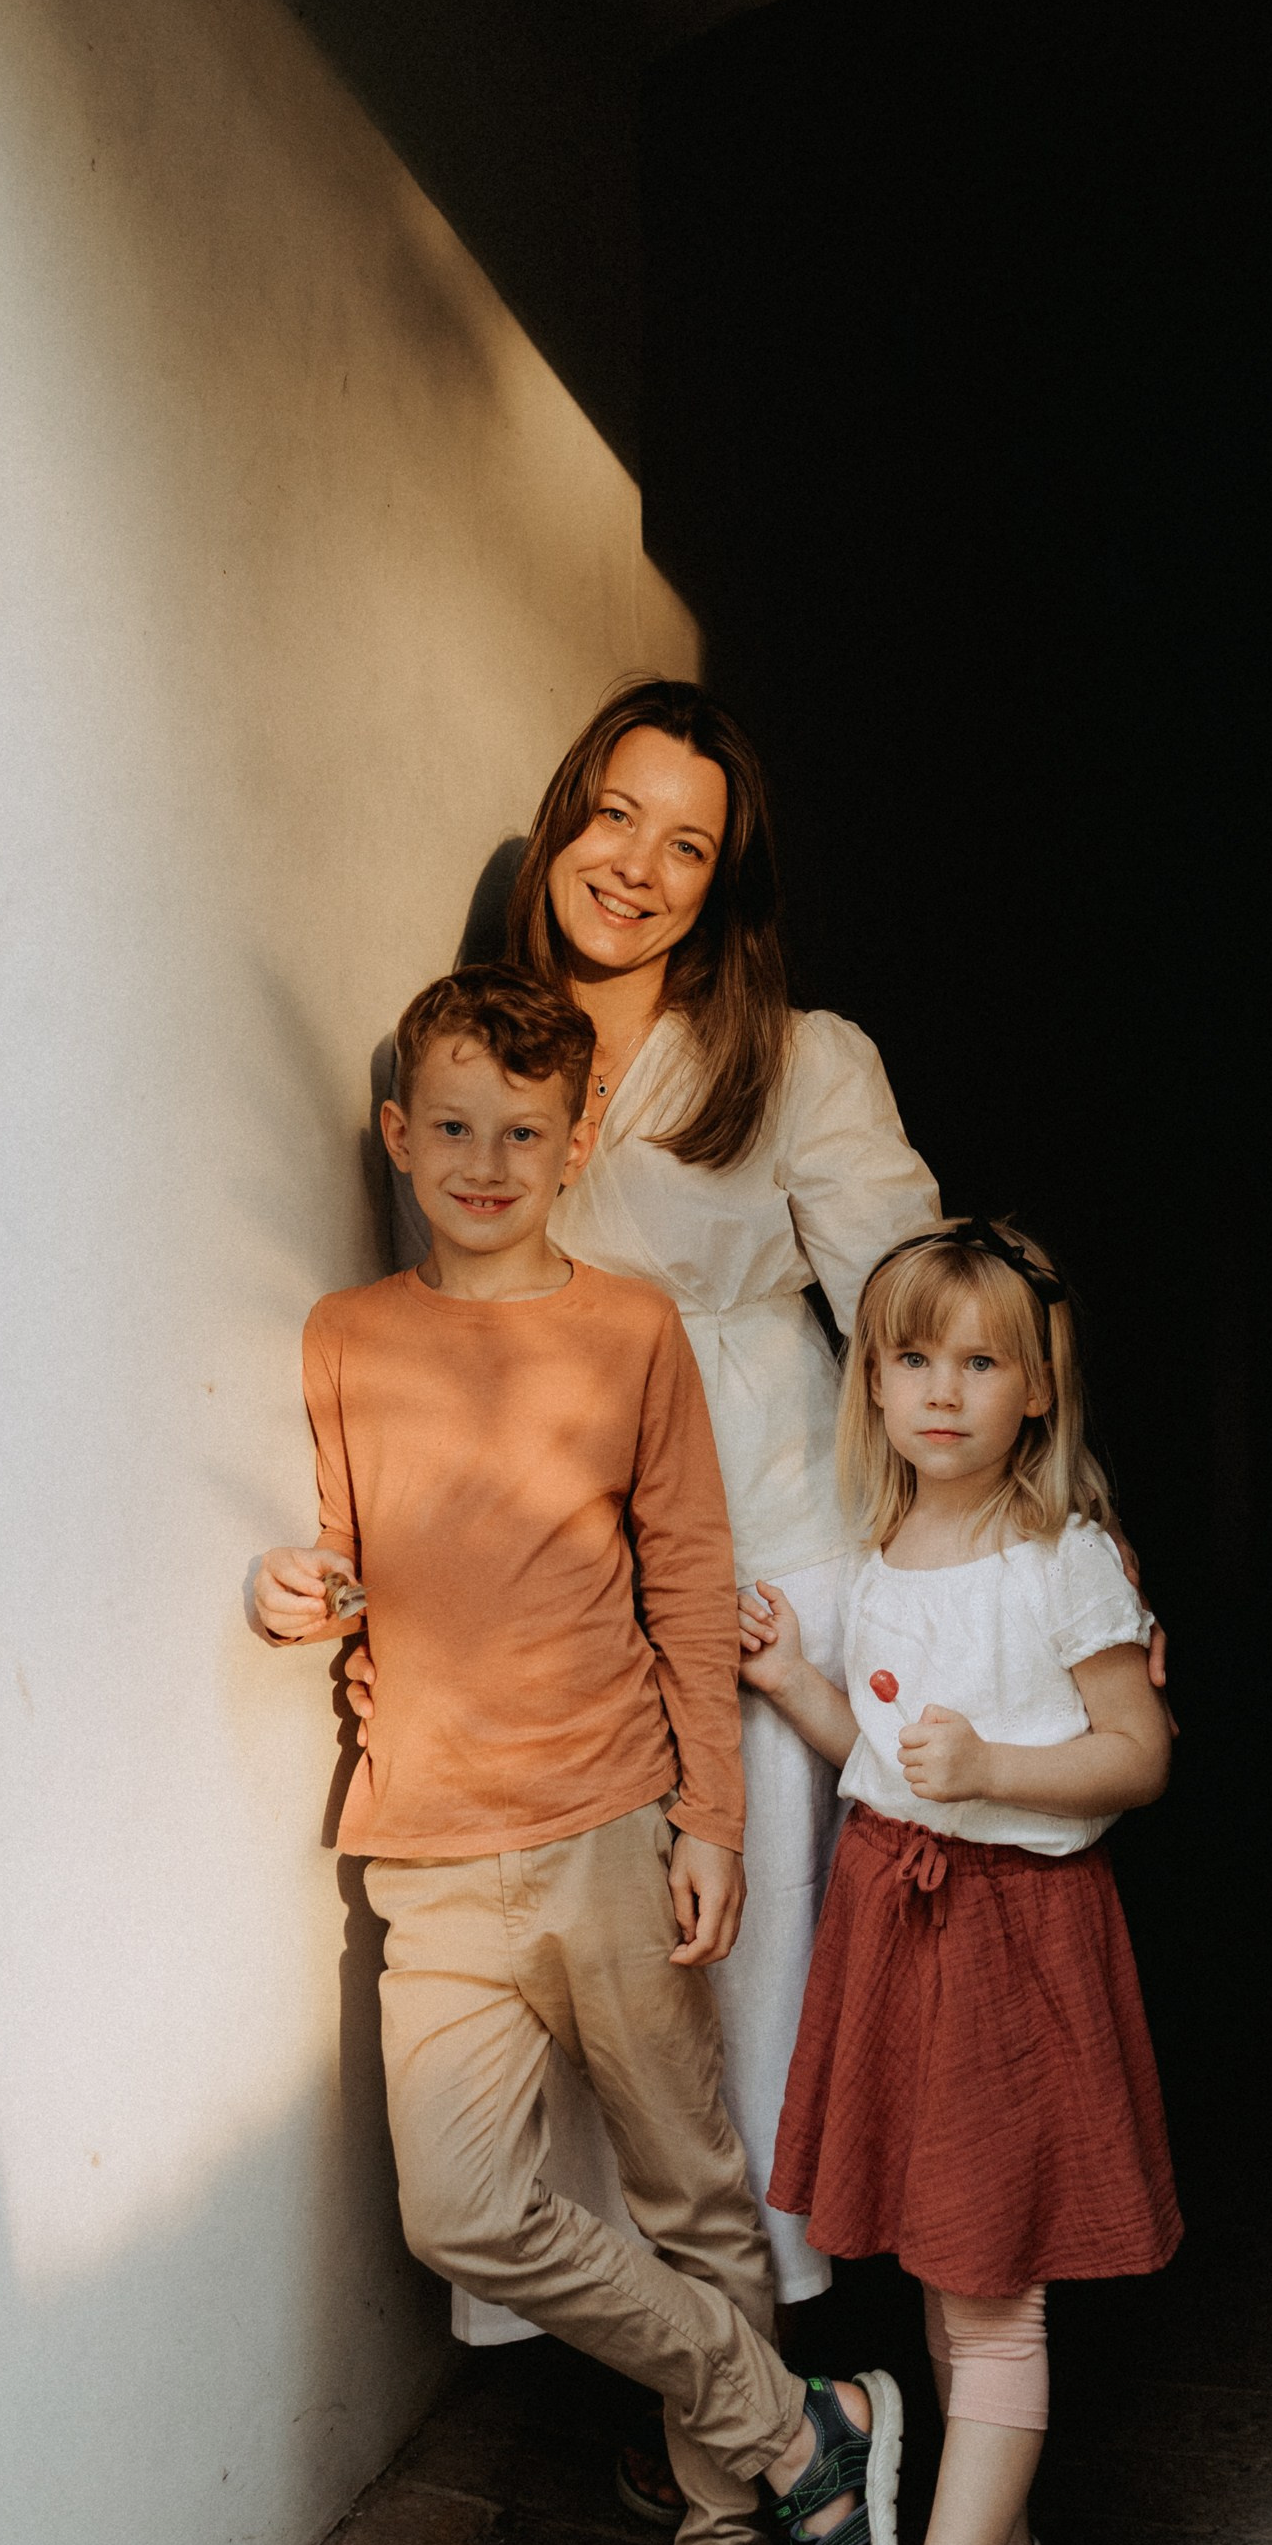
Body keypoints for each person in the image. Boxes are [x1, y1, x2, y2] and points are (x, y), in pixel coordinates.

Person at [250, 965, 903, 2545]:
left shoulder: (629, 1333)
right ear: (397, 1134)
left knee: (696, 2200)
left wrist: (710, 1815)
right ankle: (796, 2433)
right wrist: (289, 1591)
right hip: (435, 1854)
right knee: (461, 2207)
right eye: (450, 1128)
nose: (483, 1162)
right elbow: (354, 1547)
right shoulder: (345, 1335)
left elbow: (689, 1583)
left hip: (616, 1821)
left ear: (575, 1140)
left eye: (520, 1134)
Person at [362, 680, 945, 2408]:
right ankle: (710, 2409)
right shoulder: (489, 1059)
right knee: (596, 2033)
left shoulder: (802, 1058)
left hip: (765, 1571)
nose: (638, 866)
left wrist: (1067, 1556)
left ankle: (820, 2402)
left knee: (745, 2016)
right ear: (562, 817)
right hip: (561, 1600)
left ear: (724, 887)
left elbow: (925, 1313)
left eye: (688, 845)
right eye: (617, 816)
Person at [735, 1215, 1180, 2545]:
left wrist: (996, 1770)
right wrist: (795, 1674)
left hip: (1008, 1940)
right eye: (912, 1357)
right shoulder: (885, 1553)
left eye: (981, 1361)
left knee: (992, 2295)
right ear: (871, 1380)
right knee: (942, 2271)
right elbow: (872, 1742)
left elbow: (1136, 1753)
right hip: (899, 1931)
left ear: (1038, 1391)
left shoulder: (1065, 1563)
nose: (942, 1389)